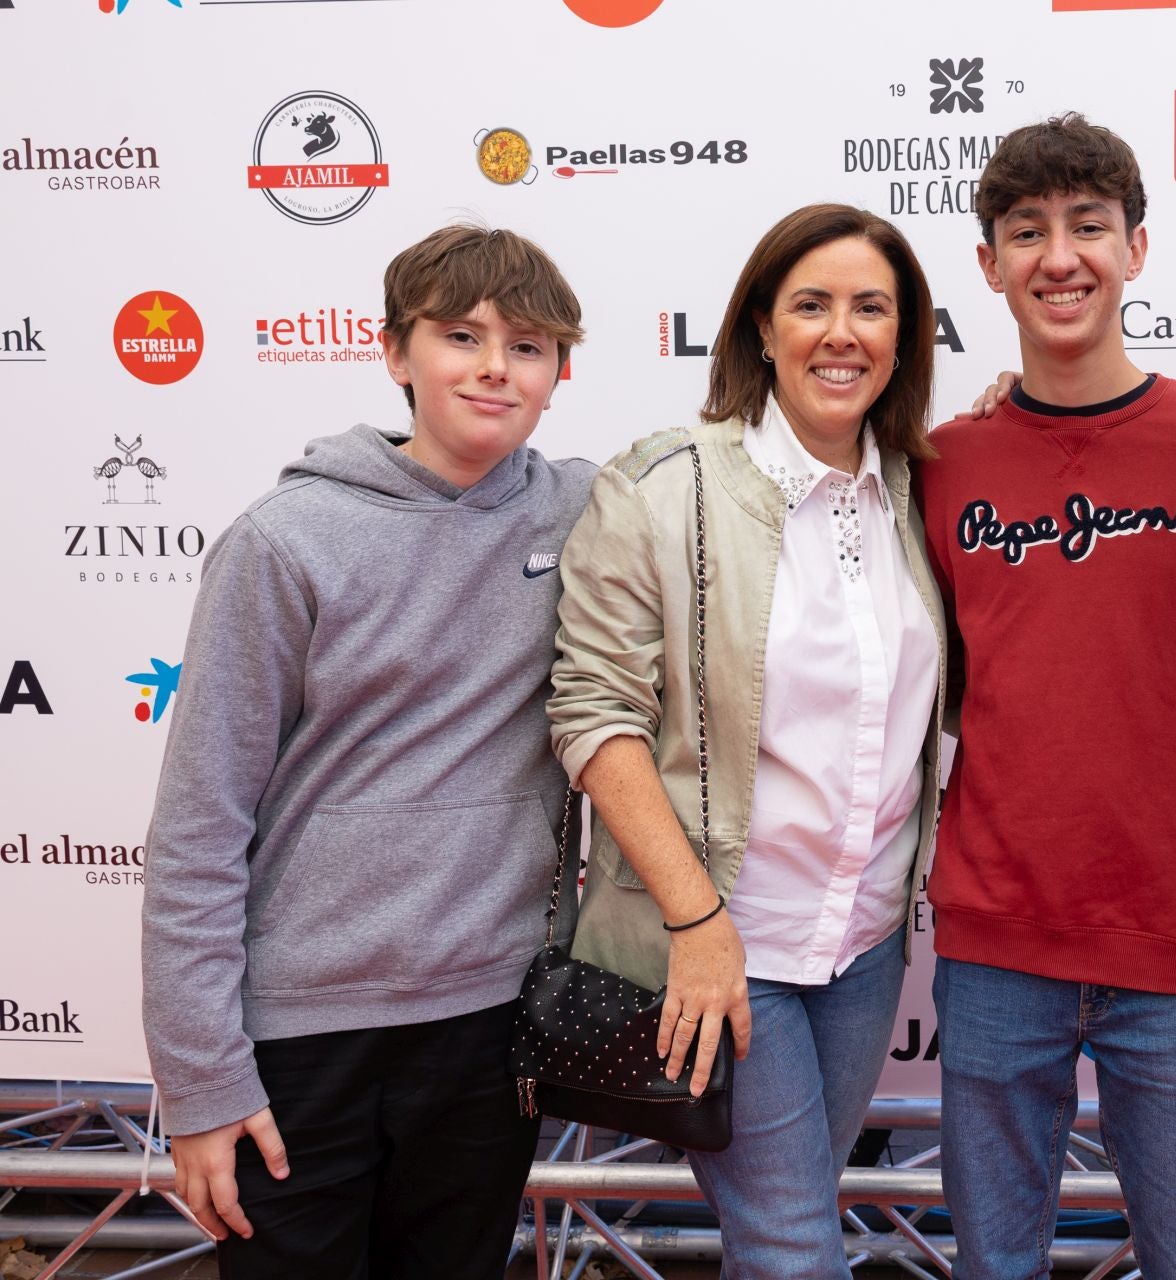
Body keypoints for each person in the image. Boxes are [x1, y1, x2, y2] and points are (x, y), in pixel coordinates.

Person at [140, 225, 592, 1277]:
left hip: (491, 1024)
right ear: (396, 354)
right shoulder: (284, 541)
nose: (493, 365)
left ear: (560, 374)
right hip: (302, 1035)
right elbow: (200, 828)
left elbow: (728, 475)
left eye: (527, 346)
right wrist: (204, 1084)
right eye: (459, 335)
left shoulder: (585, 512)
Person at [915, 114, 1176, 1279]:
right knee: (993, 1265)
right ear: (987, 266)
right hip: (993, 938)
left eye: (1088, 225)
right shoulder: (938, 467)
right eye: (1026, 231)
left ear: (1138, 246)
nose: (1059, 256)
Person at [546, 203, 945, 1279]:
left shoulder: (918, 486)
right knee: (794, 1248)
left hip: (863, 948)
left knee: (788, 1223)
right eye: (810, 304)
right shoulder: (662, 484)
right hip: (722, 941)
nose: (842, 331)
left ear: (905, 337)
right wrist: (697, 916)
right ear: (761, 328)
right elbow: (594, 713)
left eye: (873, 306)